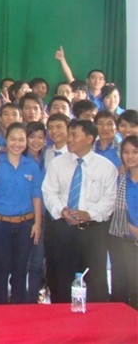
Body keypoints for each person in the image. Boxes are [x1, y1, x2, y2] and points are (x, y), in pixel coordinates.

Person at [42, 119, 117, 303]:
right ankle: (61, 316)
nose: (69, 139)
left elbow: (109, 200)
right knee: (61, 278)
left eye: (74, 135)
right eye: (69, 134)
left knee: (95, 279)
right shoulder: (57, 163)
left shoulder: (105, 166)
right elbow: (49, 191)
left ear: (90, 138)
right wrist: (62, 210)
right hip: (63, 229)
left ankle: (95, 318)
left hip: (93, 231)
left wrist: (90, 214)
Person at [0, 123, 43, 304]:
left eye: (21, 140)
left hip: (25, 225)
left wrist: (37, 224)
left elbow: (36, 195)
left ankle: (19, 311)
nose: (17, 144)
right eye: (13, 139)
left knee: (20, 270)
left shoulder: (32, 165)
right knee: (1, 271)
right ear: (5, 140)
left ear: (26, 142)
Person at [108, 111, 138, 306]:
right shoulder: (120, 179)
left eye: (135, 152)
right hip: (124, 238)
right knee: (122, 285)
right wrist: (131, 229)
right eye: (126, 152)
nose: (130, 156)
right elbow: (114, 209)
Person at [24, 121, 47, 303]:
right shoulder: (20, 159)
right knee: (22, 261)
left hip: (44, 216)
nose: (36, 141)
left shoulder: (48, 158)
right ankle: (20, 297)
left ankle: (33, 297)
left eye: (40, 137)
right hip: (24, 217)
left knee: (38, 262)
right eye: (32, 137)